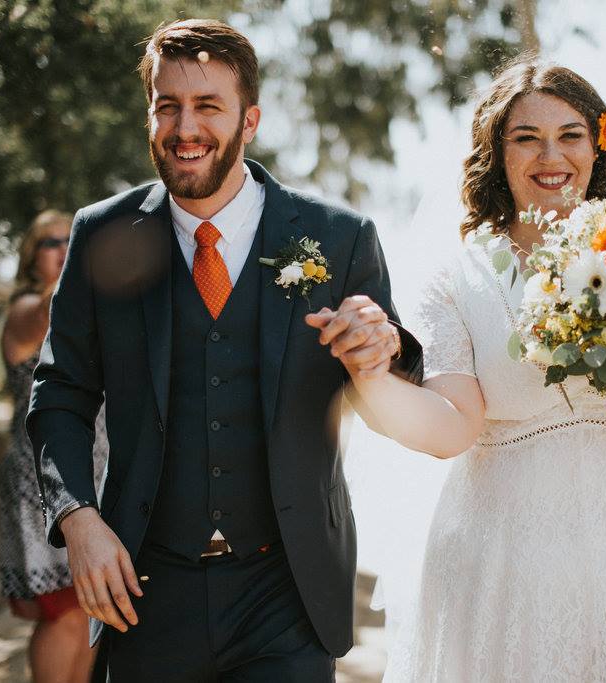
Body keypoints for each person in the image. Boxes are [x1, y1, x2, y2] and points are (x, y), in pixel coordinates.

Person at [308, 59, 606, 681]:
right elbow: (449, 428)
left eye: (570, 134)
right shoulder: (459, 276)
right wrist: (371, 379)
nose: (552, 155)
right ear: (497, 152)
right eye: (527, 137)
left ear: (598, 143)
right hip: (508, 570)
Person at [26, 19, 421, 681]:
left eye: (208, 106)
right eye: (167, 106)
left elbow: (394, 381)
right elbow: (59, 391)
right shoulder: (100, 234)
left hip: (286, 592)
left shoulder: (339, 236)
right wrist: (76, 517)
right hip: (145, 593)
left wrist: (386, 350)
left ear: (251, 119)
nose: (186, 128)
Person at [0, 210, 107, 683]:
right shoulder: (25, 308)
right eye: (51, 243)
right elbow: (47, 309)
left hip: (94, 472)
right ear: (31, 256)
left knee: (89, 606)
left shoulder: (87, 312)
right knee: (61, 609)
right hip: (39, 479)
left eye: (71, 239)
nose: (63, 248)